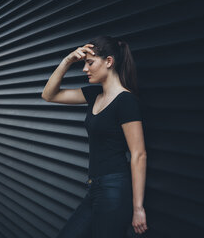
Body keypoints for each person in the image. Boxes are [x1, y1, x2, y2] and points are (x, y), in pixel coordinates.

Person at [42, 35, 148, 238]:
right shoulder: (94, 95)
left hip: (115, 189)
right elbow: (49, 95)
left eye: (90, 63)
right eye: (84, 64)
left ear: (109, 62)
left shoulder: (125, 101)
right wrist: (67, 60)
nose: (84, 69)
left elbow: (139, 154)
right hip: (95, 187)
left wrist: (138, 208)